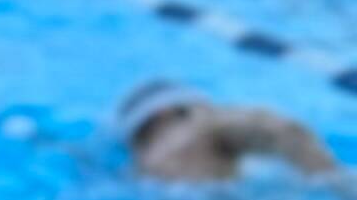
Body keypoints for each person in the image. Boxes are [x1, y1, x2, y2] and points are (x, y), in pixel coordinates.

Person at [115, 78, 345, 185]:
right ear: (164, 111)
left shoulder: (141, 171)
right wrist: (338, 181)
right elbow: (282, 130)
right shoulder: (198, 124)